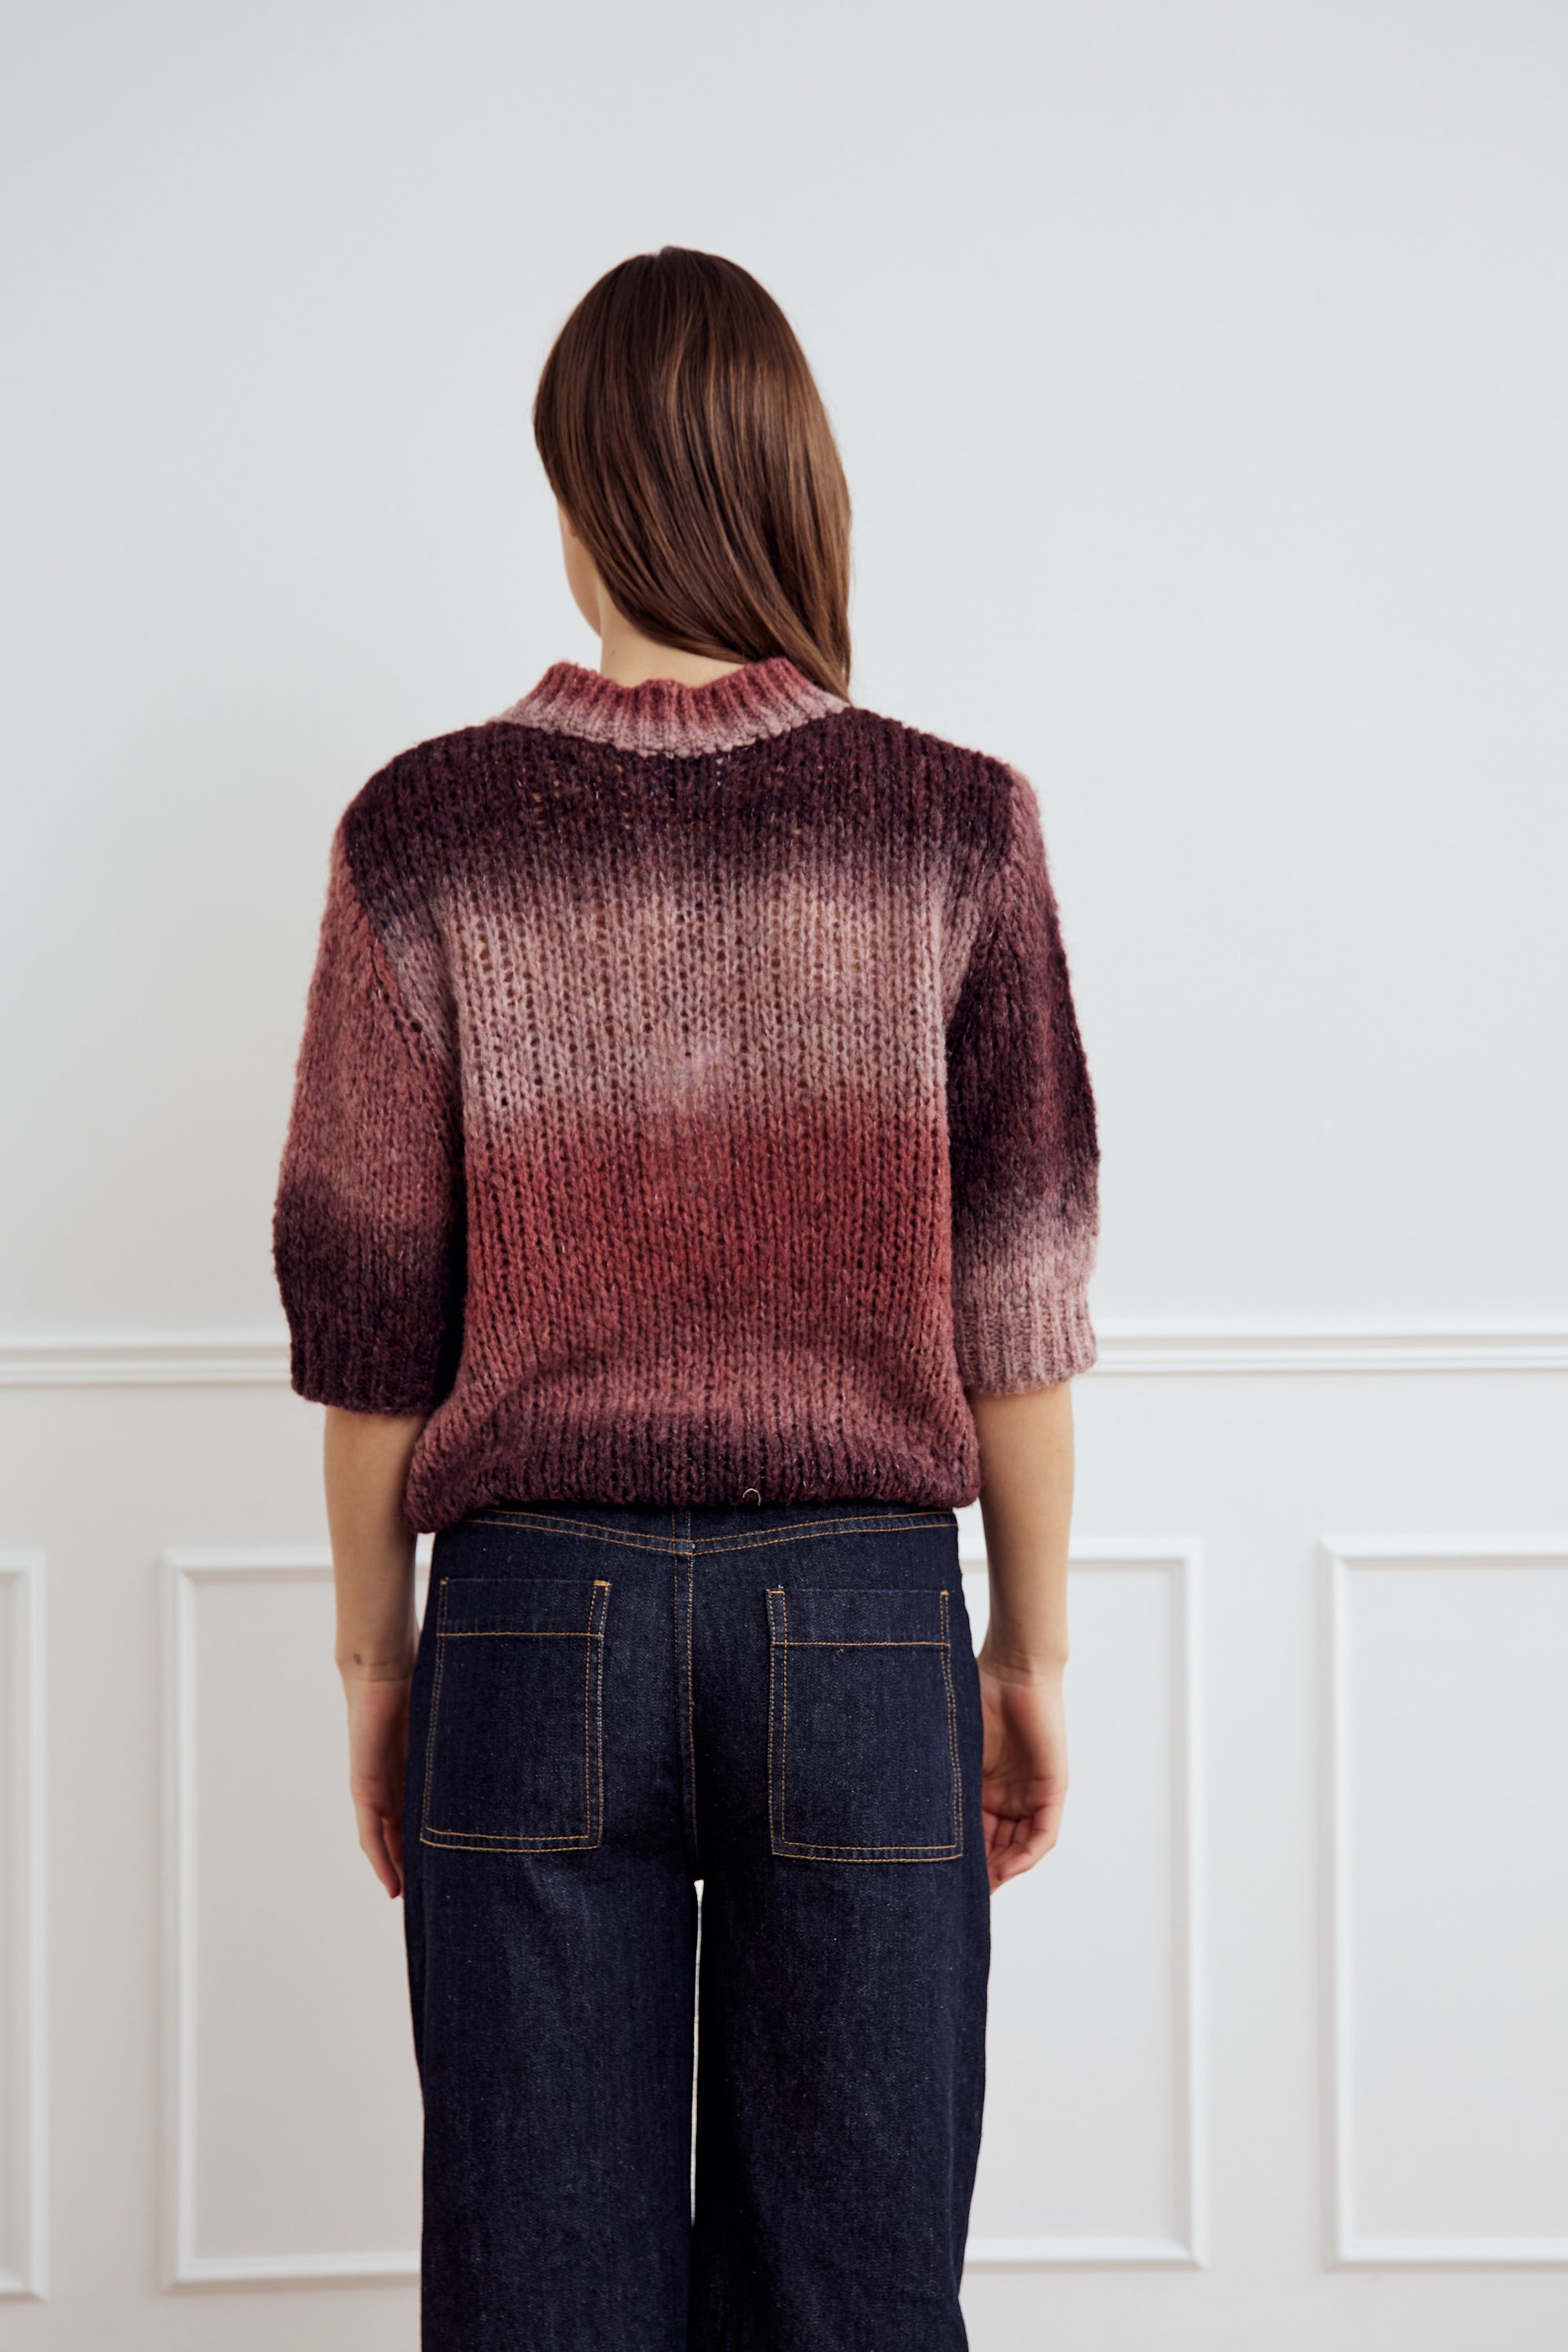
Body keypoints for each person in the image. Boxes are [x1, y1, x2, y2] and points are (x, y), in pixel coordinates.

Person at [272, 245, 1099, 2352]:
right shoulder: (955, 826)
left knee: (541, 2303)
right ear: (795, 485)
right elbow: (1016, 1306)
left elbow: (370, 1327)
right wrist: (1027, 1653)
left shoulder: (425, 832)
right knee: (858, 2295)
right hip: (866, 1617)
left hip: (530, 1619)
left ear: (580, 500)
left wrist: (379, 1663)